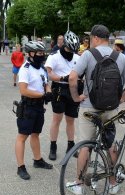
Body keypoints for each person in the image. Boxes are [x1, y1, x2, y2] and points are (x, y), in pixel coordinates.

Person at [68, 24, 125, 195]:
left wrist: (75, 97)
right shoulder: (120, 57)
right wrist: (122, 98)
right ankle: (113, 183)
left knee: (85, 145)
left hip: (89, 108)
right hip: (111, 108)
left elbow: (72, 78)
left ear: (95, 38)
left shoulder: (87, 54)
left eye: (89, 38)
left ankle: (79, 184)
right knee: (110, 144)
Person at [15, 41, 53, 180]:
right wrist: (42, 95)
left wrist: (48, 92)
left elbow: (46, 83)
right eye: (39, 53)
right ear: (31, 54)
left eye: (43, 53)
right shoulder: (25, 69)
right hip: (28, 107)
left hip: (38, 107)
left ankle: (37, 160)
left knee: (35, 134)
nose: (42, 56)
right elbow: (23, 90)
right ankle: (21, 167)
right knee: (22, 136)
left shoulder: (42, 68)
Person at [44, 31, 81, 161]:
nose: (71, 52)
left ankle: (70, 146)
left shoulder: (77, 57)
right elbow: (49, 73)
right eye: (70, 48)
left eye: (74, 49)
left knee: (71, 120)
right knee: (57, 119)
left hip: (73, 89)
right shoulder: (54, 56)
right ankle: (53, 146)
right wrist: (63, 77)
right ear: (64, 45)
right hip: (59, 88)